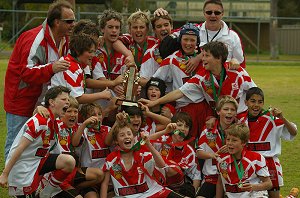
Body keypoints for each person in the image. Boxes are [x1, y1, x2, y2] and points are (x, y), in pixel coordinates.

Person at [4, 0, 75, 160]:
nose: (73, 25)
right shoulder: (35, 39)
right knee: (16, 141)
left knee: (39, 142)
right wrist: (52, 67)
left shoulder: (64, 39)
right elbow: (26, 72)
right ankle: (8, 179)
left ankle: (31, 180)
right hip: (22, 99)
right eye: (69, 21)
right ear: (57, 22)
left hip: (43, 100)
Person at [140, 41, 256, 138]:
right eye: (203, 55)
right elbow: (179, 92)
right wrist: (155, 102)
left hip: (239, 117)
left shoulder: (237, 71)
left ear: (218, 58)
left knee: (240, 143)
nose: (202, 59)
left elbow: (255, 92)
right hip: (219, 118)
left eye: (206, 56)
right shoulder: (202, 77)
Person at [0, 86, 76, 197]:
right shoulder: (40, 121)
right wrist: (5, 174)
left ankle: (46, 194)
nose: (67, 102)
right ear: (52, 102)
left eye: (68, 100)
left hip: (38, 162)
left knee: (68, 161)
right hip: (23, 167)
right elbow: (19, 148)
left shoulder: (54, 122)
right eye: (63, 99)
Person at [100, 122, 186, 198]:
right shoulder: (111, 158)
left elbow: (161, 165)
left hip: (152, 192)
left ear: (134, 137)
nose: (127, 137)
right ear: (116, 141)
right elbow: (105, 184)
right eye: (122, 135)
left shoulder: (142, 153)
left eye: (129, 134)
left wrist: (148, 144)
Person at [155, 0, 245, 69]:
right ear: (204, 13)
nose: (213, 15)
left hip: (222, 83)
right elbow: (166, 37)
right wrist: (161, 16)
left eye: (217, 13)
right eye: (209, 12)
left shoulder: (233, 36)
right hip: (196, 83)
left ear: (222, 14)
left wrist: (235, 61)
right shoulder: (193, 30)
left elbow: (241, 64)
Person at [242, 87, 298, 198]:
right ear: (246, 102)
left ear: (263, 103)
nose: (256, 105)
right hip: (250, 165)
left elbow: (293, 132)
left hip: (270, 164)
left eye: (260, 102)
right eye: (253, 101)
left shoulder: (271, 118)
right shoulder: (241, 121)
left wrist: (282, 118)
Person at [148, 112, 201, 197]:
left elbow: (196, 175)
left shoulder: (190, 151)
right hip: (156, 182)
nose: (183, 129)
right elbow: (144, 142)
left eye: (186, 126)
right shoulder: (162, 139)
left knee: (173, 168)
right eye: (179, 125)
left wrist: (192, 194)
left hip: (177, 188)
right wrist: (165, 131)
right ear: (173, 126)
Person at [49, 34, 112, 104]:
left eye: (94, 52)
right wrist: (102, 95)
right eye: (90, 52)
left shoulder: (73, 63)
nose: (93, 55)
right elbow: (77, 98)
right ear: (78, 51)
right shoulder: (71, 67)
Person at [196, 96, 238, 198]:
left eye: (232, 110)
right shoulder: (208, 131)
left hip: (233, 177)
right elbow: (198, 152)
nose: (229, 112)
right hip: (212, 177)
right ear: (218, 112)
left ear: (236, 113)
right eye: (226, 109)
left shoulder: (239, 131)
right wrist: (213, 155)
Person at [215, 123, 272, 198]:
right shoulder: (221, 159)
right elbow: (220, 183)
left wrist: (252, 187)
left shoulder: (256, 158)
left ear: (244, 142)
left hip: (254, 195)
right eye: (228, 139)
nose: (229, 143)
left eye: (234, 140)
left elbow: (268, 184)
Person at [72, 103, 111, 169]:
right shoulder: (82, 130)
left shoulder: (108, 129)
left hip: (106, 170)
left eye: (99, 114)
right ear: (85, 118)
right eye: (93, 115)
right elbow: (74, 143)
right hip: (88, 170)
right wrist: (84, 124)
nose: (97, 117)